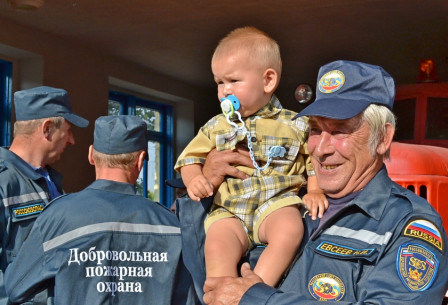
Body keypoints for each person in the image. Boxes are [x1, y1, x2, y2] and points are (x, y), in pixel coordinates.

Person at [201, 60, 448, 304]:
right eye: (316, 130)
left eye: (340, 131)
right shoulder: (284, 196)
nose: (320, 149)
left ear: (383, 138)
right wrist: (207, 186)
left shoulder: (405, 224)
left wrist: (257, 299)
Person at [175, 26, 327, 287]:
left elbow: (310, 160)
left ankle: (255, 289)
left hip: (275, 204)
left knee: (290, 229)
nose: (224, 90)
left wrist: (314, 190)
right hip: (231, 210)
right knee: (216, 243)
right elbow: (189, 159)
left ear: (268, 80)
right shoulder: (215, 126)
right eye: (219, 82)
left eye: (233, 81)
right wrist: (194, 180)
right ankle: (219, 294)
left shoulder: (295, 124)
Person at [5, 116, 183, 305]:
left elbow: (16, 287)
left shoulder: (58, 216)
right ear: (140, 160)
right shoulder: (170, 226)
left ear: (91, 155)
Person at [0, 86, 89, 304]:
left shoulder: (51, 182)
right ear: (47, 128)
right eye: (67, 130)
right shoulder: (4, 183)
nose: (72, 140)